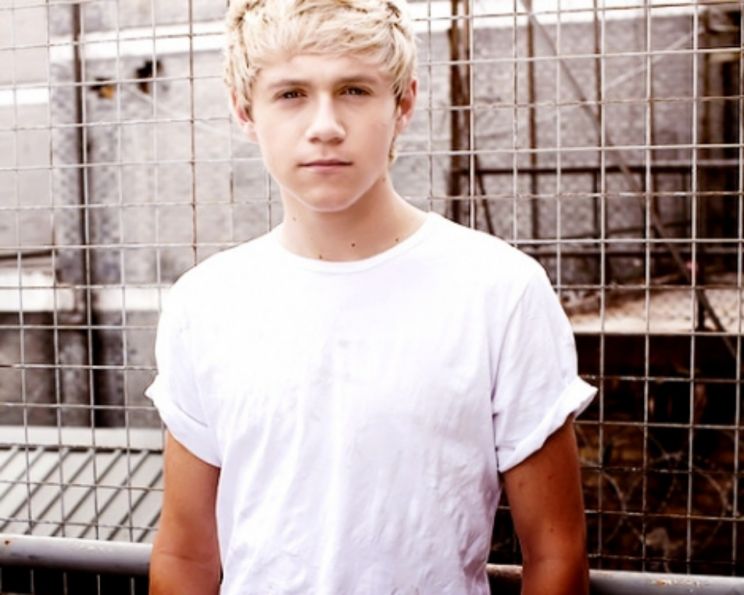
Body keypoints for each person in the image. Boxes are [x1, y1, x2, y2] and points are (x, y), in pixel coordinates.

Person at [146, 0, 597, 593]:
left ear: (403, 103)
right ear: (244, 110)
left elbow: (556, 554)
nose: (326, 125)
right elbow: (185, 555)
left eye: (354, 90)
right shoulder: (204, 303)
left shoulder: (500, 288)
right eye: (291, 94)